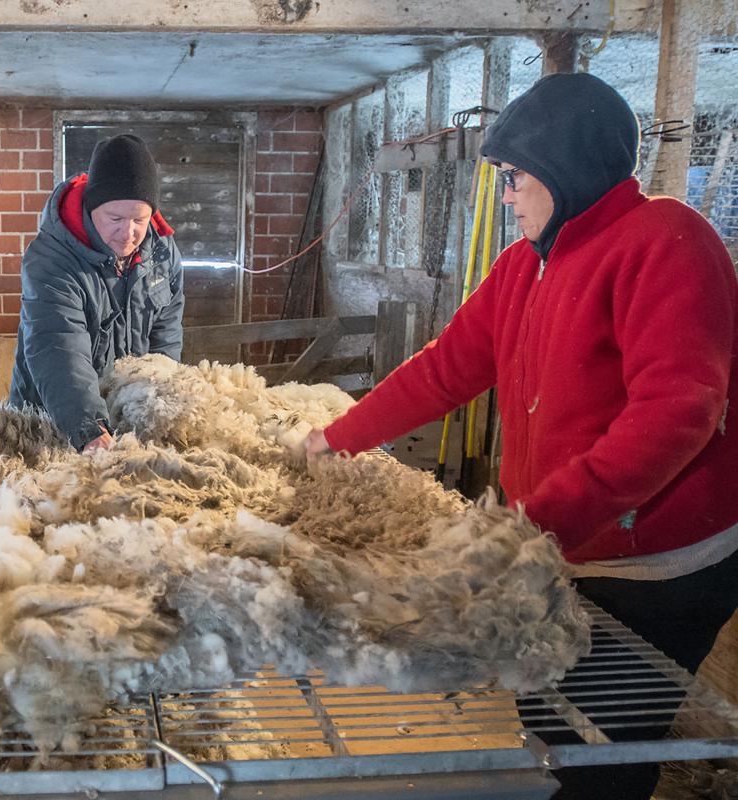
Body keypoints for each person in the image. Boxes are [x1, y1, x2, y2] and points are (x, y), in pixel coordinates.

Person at [306, 72, 738, 798]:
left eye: (514, 178)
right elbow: (445, 369)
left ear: (564, 169)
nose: (505, 197)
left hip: (657, 561)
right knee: (545, 719)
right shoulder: (524, 267)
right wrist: (338, 437)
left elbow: (677, 412)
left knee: (602, 748)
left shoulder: (665, 242)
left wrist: (536, 522)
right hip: (560, 545)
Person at [9, 134, 185, 450]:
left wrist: (156, 406)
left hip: (125, 416)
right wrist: (88, 428)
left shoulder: (161, 254)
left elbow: (166, 334)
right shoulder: (52, 260)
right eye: (115, 218)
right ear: (92, 208)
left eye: (139, 219)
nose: (128, 233)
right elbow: (58, 345)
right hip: (52, 421)